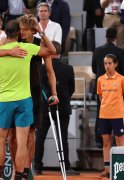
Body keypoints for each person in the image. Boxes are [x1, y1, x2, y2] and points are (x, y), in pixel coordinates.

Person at [0, 19, 55, 180]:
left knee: (2, 140)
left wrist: (2, 89)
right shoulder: (25, 48)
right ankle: (19, 177)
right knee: (23, 142)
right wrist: (41, 31)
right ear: (18, 33)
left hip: (5, 100)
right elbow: (51, 50)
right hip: (24, 100)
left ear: (5, 33)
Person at [34, 41, 79, 176]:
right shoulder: (68, 68)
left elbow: (37, 88)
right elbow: (72, 89)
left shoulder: (40, 68)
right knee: (62, 137)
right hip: (62, 106)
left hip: (43, 108)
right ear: (59, 54)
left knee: (40, 138)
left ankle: (37, 167)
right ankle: (65, 167)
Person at [91, 27, 124, 148]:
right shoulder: (120, 51)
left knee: (100, 112)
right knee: (117, 114)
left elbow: (93, 69)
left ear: (106, 36)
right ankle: (117, 140)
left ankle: (99, 140)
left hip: (102, 86)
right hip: (116, 87)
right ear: (116, 37)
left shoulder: (97, 51)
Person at [96, 54, 124, 178]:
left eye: (110, 63)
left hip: (118, 115)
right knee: (106, 143)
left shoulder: (122, 79)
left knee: (119, 143)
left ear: (115, 64)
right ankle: (107, 169)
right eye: (105, 63)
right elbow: (101, 97)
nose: (107, 66)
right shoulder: (100, 79)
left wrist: (121, 110)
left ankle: (121, 168)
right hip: (104, 115)